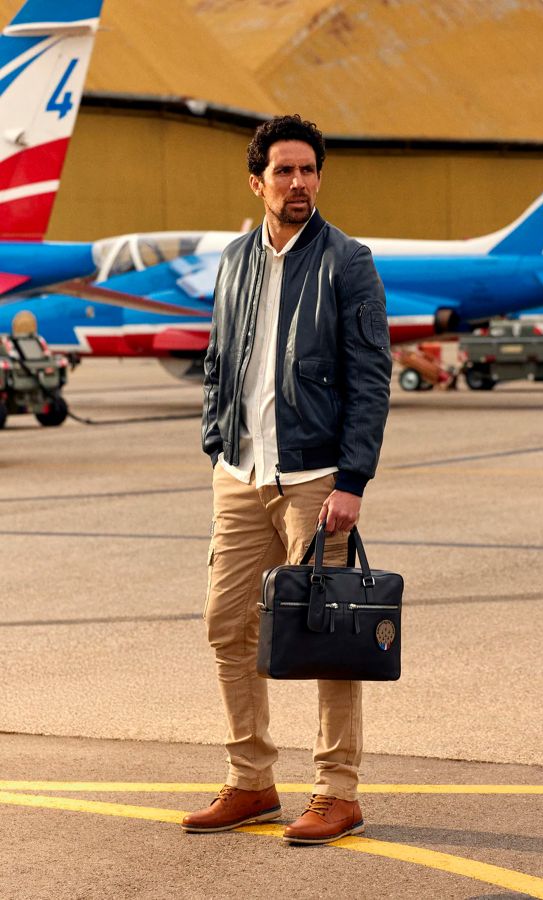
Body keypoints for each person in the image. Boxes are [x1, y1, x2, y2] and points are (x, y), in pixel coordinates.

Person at [182, 114, 391, 845]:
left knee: (330, 634)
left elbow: (371, 379)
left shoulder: (348, 261)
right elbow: (217, 361)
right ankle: (251, 781)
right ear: (257, 182)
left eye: (308, 170)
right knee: (226, 625)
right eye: (284, 171)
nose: (298, 182)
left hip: (316, 480)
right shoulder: (235, 260)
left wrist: (352, 479)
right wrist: (216, 443)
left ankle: (338, 792)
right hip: (240, 474)